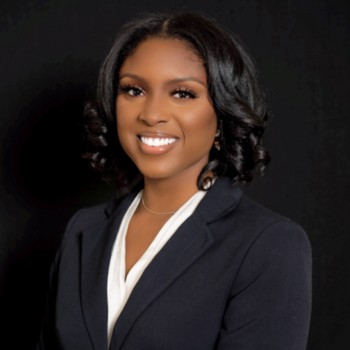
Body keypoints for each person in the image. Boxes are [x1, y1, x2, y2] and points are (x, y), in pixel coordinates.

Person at [37, 12, 312, 350]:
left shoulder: (268, 244)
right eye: (134, 90)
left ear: (223, 113)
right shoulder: (83, 230)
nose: (151, 114)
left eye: (182, 93)